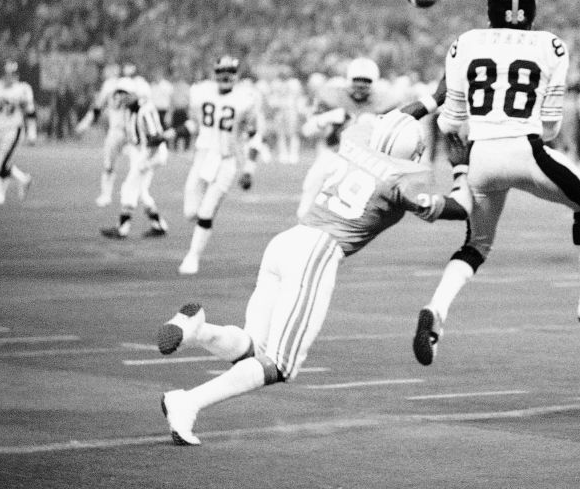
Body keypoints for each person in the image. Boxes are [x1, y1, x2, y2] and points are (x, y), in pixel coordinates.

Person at [156, 112, 472, 446]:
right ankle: (187, 402)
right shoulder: (401, 180)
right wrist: (461, 167)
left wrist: (431, 101)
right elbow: (461, 207)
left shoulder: (357, 137)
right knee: (280, 365)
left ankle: (199, 329)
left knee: (254, 351)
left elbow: (392, 115)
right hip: (318, 252)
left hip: (288, 240)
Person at [413, 0, 580, 367]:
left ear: (489, 13)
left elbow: (450, 123)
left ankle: (437, 310)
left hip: (481, 156)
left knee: (476, 245)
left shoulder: (465, 42)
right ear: (531, 14)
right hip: (525, 149)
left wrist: (462, 164)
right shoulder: (551, 45)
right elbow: (549, 127)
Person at [178, 55, 263, 275]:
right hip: (203, 158)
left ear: (237, 75)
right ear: (215, 73)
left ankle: (192, 256)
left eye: (231, 71)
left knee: (206, 211)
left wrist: (249, 170)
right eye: (221, 71)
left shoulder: (246, 99)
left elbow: (254, 136)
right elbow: (193, 124)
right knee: (190, 212)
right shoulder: (202, 93)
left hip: (227, 161)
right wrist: (169, 134)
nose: (225, 75)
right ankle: (203, 224)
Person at [99, 77, 172, 239]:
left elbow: (155, 137)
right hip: (142, 152)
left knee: (129, 187)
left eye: (124, 94)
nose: (120, 98)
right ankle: (159, 224)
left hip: (152, 153)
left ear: (133, 94)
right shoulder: (128, 110)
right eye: (118, 94)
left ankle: (123, 228)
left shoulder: (145, 109)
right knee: (142, 191)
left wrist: (144, 160)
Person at [76, 63, 128, 207]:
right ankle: (110, 194)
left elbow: (97, 108)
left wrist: (84, 124)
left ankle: (109, 195)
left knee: (112, 164)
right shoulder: (129, 84)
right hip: (125, 131)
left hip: (122, 131)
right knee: (113, 164)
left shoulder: (112, 85)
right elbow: (98, 108)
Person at [0, 61, 36, 205]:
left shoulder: (22, 89)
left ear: (17, 75)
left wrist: (32, 132)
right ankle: (23, 179)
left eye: (12, 74)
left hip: (14, 129)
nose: (9, 77)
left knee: (2, 161)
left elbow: (30, 112)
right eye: (6, 74)